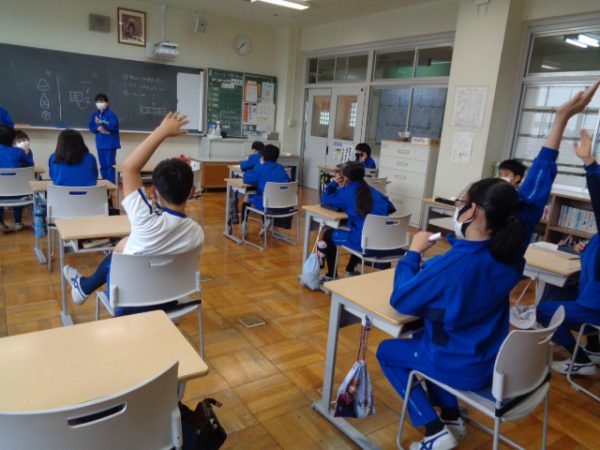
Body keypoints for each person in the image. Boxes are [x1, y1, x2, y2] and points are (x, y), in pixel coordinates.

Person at [376, 81, 599, 450]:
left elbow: (401, 300)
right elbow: (538, 186)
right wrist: (560, 120)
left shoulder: (452, 266)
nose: (458, 207)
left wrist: (413, 253)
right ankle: (450, 415)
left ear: (472, 211)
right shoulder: (512, 245)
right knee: (423, 340)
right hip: (493, 360)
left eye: (461, 202)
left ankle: (434, 430)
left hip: (461, 363)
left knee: (388, 351)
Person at [63, 112, 204, 313]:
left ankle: (84, 287)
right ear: (192, 192)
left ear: (153, 192)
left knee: (118, 256)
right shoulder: (197, 233)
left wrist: (162, 131)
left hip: (127, 304)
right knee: (125, 247)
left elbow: (130, 168)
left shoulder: (145, 220)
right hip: (170, 301)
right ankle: (84, 287)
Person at [537, 128, 600, 376]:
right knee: (561, 289)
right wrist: (588, 250)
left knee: (542, 310)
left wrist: (590, 164)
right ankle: (594, 346)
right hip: (591, 299)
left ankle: (580, 360)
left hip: (594, 308)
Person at [320, 162, 396, 279]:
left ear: (346, 179)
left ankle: (331, 275)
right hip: (385, 243)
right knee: (360, 229)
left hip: (365, 245)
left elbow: (325, 200)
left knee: (328, 235)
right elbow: (390, 207)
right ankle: (350, 269)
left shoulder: (346, 192)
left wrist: (333, 183)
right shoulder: (373, 191)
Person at [0, 125, 34, 231]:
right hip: (19, 194)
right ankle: (18, 222)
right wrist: (26, 153)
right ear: (13, 139)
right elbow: (31, 165)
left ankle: (0, 222)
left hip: (1, 193)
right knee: (17, 187)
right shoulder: (19, 152)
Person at [88, 93, 120, 183]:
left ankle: (111, 184)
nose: (99, 103)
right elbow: (91, 126)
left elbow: (114, 126)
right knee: (103, 166)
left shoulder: (111, 114)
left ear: (106, 103)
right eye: (97, 102)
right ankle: (105, 184)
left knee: (110, 165)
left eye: (101, 101)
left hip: (110, 144)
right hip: (100, 144)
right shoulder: (95, 115)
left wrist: (103, 122)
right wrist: (97, 128)